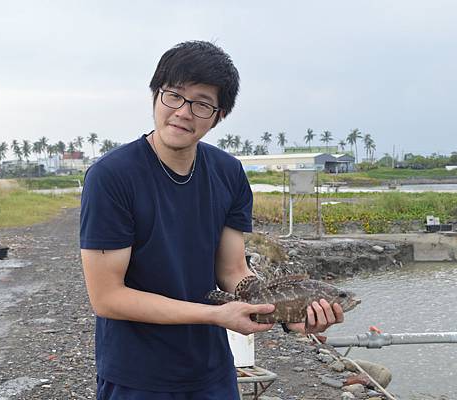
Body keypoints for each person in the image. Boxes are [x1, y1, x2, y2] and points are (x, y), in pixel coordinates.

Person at [80, 40, 344, 399]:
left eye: (202, 103)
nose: (184, 112)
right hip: (136, 375)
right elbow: (108, 297)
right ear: (155, 95)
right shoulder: (111, 176)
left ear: (219, 115)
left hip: (212, 372)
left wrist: (287, 313)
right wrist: (215, 315)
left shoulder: (228, 173)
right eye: (174, 95)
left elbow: (233, 271)